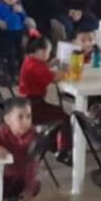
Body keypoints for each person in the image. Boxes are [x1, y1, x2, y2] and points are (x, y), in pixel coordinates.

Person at [18, 36, 71, 164]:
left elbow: (42, 68)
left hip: (27, 102)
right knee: (65, 118)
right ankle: (63, 150)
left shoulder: (29, 60)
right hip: (34, 105)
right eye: (48, 52)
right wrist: (66, 69)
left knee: (58, 113)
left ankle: (54, 143)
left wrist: (50, 64)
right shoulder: (36, 67)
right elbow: (56, 78)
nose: (49, 55)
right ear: (41, 51)